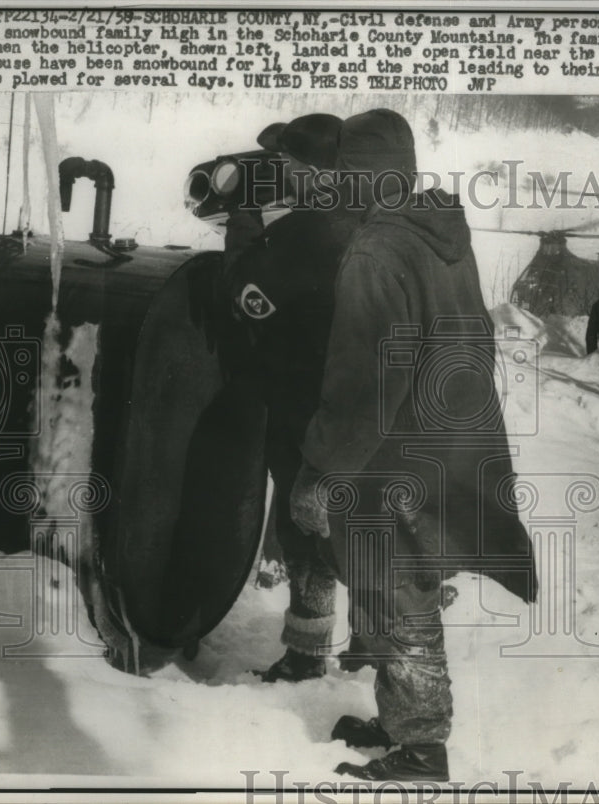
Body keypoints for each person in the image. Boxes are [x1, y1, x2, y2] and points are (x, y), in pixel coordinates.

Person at [289, 108, 538, 781]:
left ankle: (422, 749)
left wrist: (319, 468)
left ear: (364, 177)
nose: (337, 187)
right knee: (398, 589)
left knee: (398, 596)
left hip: (395, 454)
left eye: (345, 175)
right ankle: (403, 723)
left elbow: (361, 381)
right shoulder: (439, 233)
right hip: (448, 443)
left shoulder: (376, 251)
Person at [220, 113, 361, 683]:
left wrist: (246, 219)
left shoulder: (306, 233)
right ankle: (374, 642)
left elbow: (245, 296)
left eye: (288, 165)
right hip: (356, 407)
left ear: (317, 171)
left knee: (306, 532)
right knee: (358, 525)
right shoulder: (368, 220)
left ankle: (306, 653)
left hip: (304, 406)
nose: (280, 171)